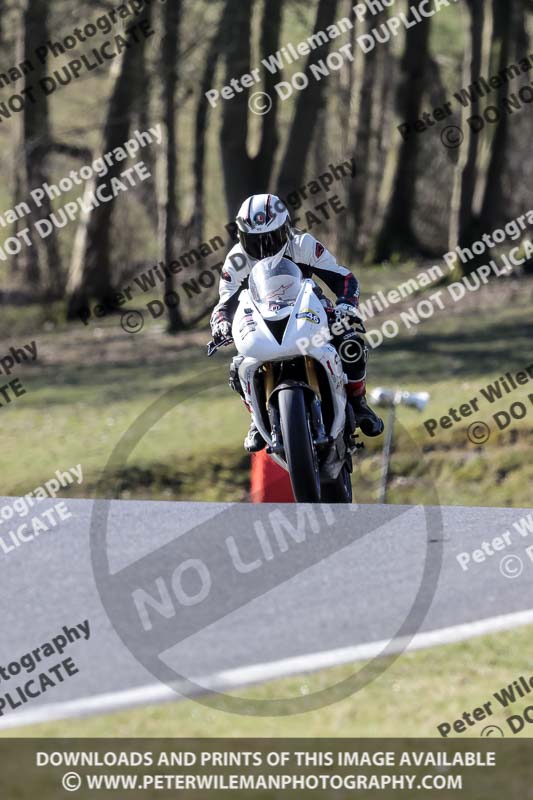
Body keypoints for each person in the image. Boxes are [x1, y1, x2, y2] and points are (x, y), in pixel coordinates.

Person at [210, 193, 384, 452]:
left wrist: (346, 306)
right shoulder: (236, 261)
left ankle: (358, 403)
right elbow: (224, 304)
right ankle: (257, 421)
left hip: (309, 311)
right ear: (241, 237)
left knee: (351, 343)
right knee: (238, 368)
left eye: (270, 238)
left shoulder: (303, 244)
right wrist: (221, 324)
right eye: (254, 241)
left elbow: (344, 279)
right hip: (261, 321)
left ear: (285, 230)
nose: (264, 248)